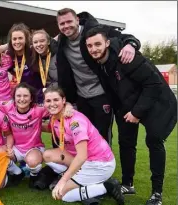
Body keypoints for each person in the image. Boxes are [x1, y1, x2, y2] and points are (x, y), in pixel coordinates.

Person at [85, 26, 178, 205]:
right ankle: (128, 184)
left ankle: (156, 194)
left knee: (154, 141)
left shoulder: (126, 57)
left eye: (98, 44)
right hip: (126, 106)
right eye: (90, 46)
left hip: (156, 104)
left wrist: (137, 112)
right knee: (126, 143)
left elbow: (154, 84)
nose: (94, 49)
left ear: (107, 43)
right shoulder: (99, 64)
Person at [55, 8, 141, 143]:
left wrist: (131, 44)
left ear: (77, 20)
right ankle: (89, 164)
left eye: (69, 21)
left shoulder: (94, 30)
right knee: (83, 135)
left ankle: (105, 163)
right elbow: (37, 43)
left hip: (102, 94)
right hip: (81, 97)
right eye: (62, 24)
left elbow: (123, 37)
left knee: (102, 136)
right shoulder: (61, 42)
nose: (66, 26)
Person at [41, 86, 124, 205]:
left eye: (56, 100)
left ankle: (107, 187)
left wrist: (64, 180)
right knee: (48, 155)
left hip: (99, 164)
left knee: (62, 194)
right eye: (48, 101)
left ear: (64, 101)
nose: (52, 104)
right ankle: (82, 181)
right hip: (86, 161)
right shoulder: (55, 117)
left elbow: (82, 156)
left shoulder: (75, 122)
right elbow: (47, 127)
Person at [0, 83, 73, 189]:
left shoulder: (38, 109)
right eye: (18, 96)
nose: (22, 99)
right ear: (14, 97)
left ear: (31, 98)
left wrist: (68, 106)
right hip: (15, 148)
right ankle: (18, 173)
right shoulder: (8, 107)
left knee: (32, 161)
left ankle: (33, 177)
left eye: (25, 96)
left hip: (34, 148)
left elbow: (57, 106)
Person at [4, 23, 45, 103]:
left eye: (20, 38)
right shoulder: (8, 56)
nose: (17, 41)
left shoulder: (34, 52)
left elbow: (46, 42)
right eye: (14, 39)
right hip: (22, 98)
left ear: (26, 39)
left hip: (39, 97)